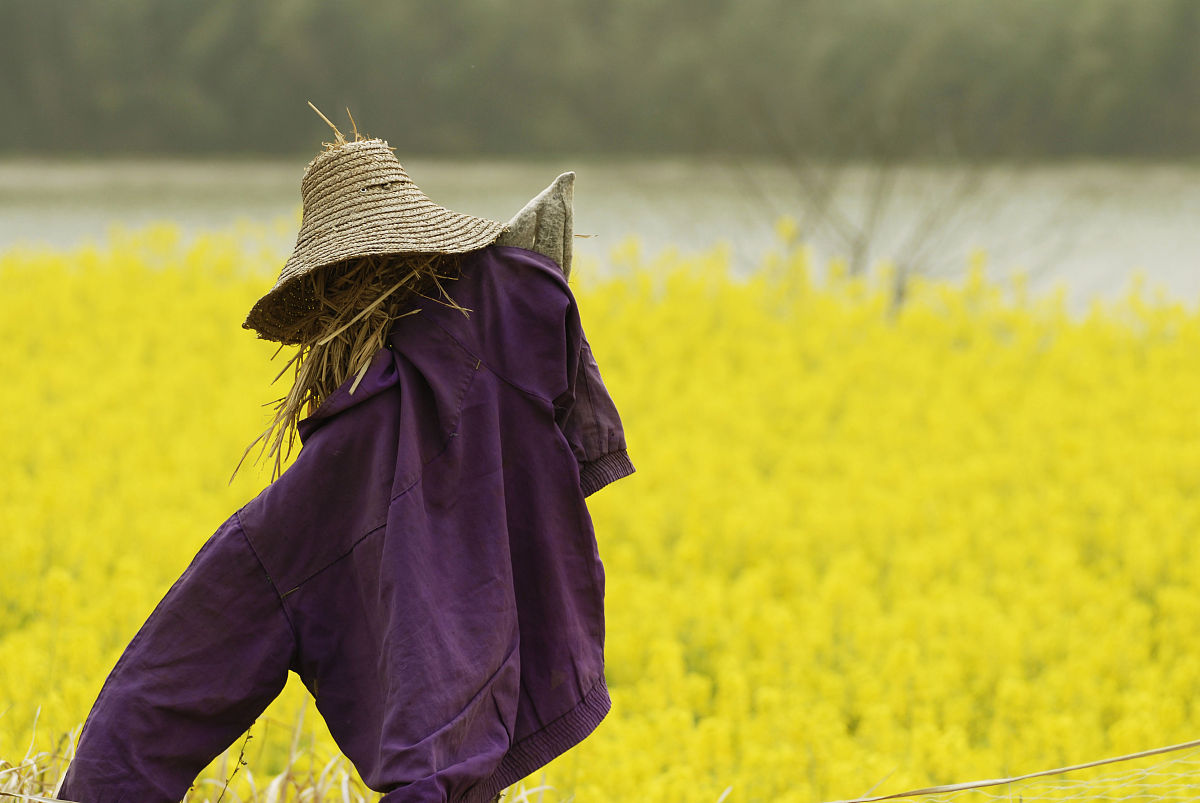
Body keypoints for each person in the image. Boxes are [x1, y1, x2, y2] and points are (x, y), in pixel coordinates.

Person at [57, 126, 633, 803]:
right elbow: (541, 313)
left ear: (331, 299)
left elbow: (156, 692)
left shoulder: (332, 477)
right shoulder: (504, 331)